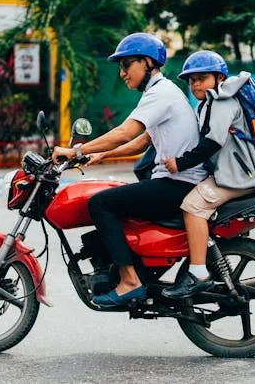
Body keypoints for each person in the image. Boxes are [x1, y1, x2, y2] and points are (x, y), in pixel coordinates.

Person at [52, 33, 207, 307]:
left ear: (147, 62)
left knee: (101, 203)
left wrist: (76, 151)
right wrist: (102, 155)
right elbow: (143, 141)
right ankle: (127, 269)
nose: (122, 73)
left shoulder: (161, 92)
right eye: (120, 67)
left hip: (178, 185)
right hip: (177, 182)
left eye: (126, 65)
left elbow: (126, 132)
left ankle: (130, 281)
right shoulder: (162, 91)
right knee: (116, 199)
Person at [161, 51, 255, 299]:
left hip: (238, 177)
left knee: (192, 207)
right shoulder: (209, 102)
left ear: (219, 77)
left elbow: (212, 142)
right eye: (191, 80)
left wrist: (180, 163)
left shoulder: (223, 101)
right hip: (233, 173)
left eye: (202, 77)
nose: (195, 83)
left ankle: (198, 273)